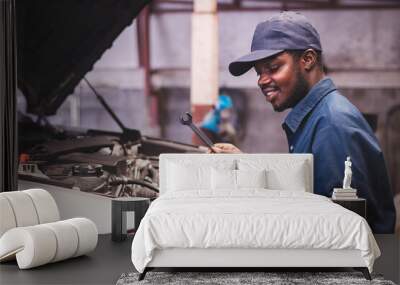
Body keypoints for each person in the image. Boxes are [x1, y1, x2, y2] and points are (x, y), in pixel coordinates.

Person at [211, 11, 396, 233]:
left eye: (273, 67)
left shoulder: (332, 124)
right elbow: (308, 196)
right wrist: (250, 166)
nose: (262, 80)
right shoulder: (316, 117)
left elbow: (334, 228)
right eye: (259, 72)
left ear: (308, 59)